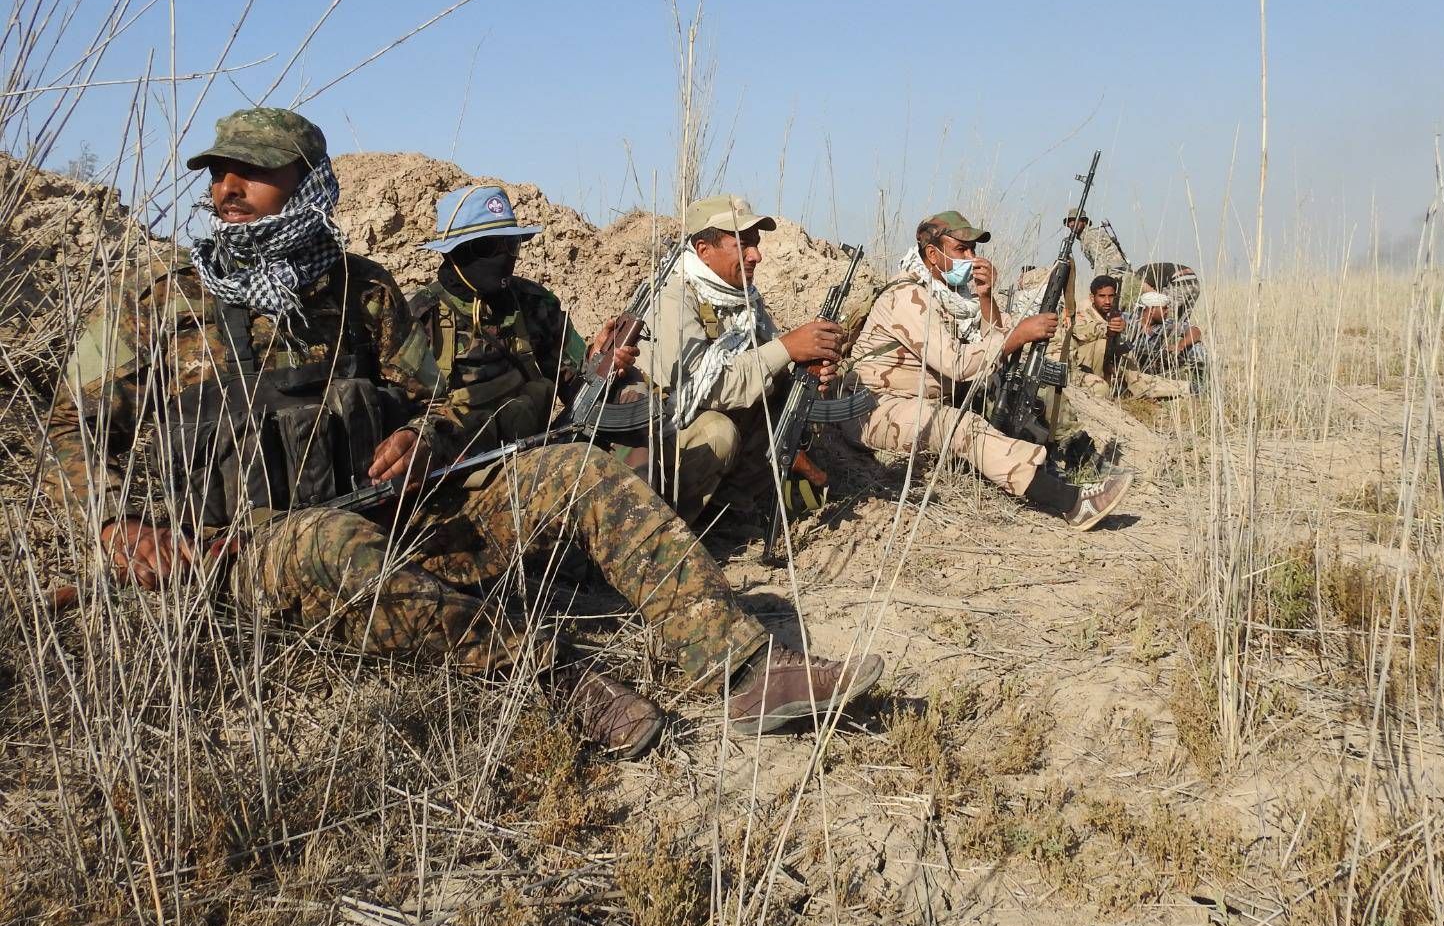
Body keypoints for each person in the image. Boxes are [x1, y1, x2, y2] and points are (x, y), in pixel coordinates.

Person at [45, 109, 882, 759]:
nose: (229, 187)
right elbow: (70, 428)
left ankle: (744, 668)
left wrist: (424, 440)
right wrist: (117, 523)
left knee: (575, 468)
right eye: (219, 173)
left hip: (401, 516)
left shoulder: (363, 290)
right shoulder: (149, 300)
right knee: (331, 543)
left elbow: (437, 401)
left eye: (253, 172)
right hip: (247, 550)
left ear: (307, 183)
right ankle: (555, 677)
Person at [844, 210, 1132, 529]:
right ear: (932, 254)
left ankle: (1054, 460)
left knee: (1010, 388)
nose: (972, 258)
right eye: (961, 249)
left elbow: (992, 342)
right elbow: (959, 363)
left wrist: (985, 296)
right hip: (874, 407)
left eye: (973, 249)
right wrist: (1017, 336)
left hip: (920, 400)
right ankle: (1072, 502)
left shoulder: (954, 297)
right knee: (959, 425)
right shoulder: (908, 295)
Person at [635, 194, 842, 523]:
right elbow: (707, 387)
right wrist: (788, 348)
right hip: (661, 434)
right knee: (719, 434)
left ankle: (731, 510)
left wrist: (810, 368)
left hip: (701, 420)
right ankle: (668, 525)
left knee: (784, 402)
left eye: (756, 244)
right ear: (704, 250)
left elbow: (766, 362)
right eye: (743, 245)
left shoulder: (741, 298)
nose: (756, 255)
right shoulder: (674, 296)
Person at [407, 183, 635, 451]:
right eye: (488, 246)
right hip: (459, 468)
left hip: (535, 454)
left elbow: (576, 386)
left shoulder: (532, 303)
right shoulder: (420, 318)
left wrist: (597, 360)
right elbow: (404, 422)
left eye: (511, 244)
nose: (503, 256)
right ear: (455, 252)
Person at [1070, 275, 1192, 400]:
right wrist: (1106, 329)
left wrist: (1122, 329)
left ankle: (1183, 388)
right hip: (1082, 368)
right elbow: (1079, 331)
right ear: (1092, 297)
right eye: (1102, 296)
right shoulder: (1082, 311)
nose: (1107, 301)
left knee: (1140, 376)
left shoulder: (1114, 314)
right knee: (1102, 344)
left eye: (1111, 296)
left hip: (1111, 367)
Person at [1124, 290, 1205, 378]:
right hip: (1127, 367)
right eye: (1164, 308)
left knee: (1197, 348)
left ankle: (1198, 383)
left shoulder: (1166, 324)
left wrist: (1180, 345)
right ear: (1151, 310)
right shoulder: (1126, 320)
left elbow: (1195, 331)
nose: (1167, 311)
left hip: (1155, 366)